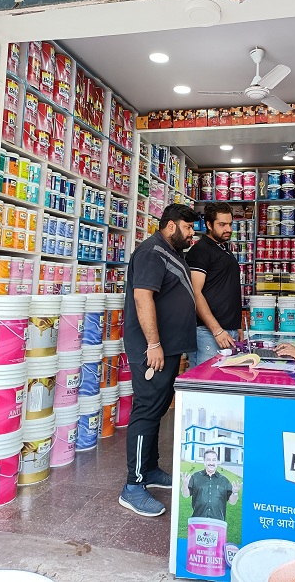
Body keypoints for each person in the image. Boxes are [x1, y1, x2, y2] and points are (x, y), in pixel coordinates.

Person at [119, 203, 198, 517]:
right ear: (171, 225)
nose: (191, 234)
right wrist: (153, 343)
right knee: (147, 410)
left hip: (168, 348)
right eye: (188, 228)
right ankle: (133, 485)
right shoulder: (152, 252)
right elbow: (142, 297)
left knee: (157, 409)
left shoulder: (171, 252)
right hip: (152, 349)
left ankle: (150, 469)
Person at [186, 202, 243, 365]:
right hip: (208, 333)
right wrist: (217, 331)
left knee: (223, 379)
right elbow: (195, 293)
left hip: (228, 331)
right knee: (205, 379)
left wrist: (236, 325)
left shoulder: (224, 249)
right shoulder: (200, 251)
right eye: (222, 224)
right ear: (209, 225)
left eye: (230, 224)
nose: (228, 229)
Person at [180, 449, 241, 520]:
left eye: (214, 460)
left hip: (217, 522)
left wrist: (235, 492)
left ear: (217, 462)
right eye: (208, 460)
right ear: (204, 461)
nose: (211, 463)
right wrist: (185, 484)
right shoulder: (196, 477)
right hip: (198, 520)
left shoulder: (224, 480)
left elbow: (232, 502)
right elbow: (185, 495)